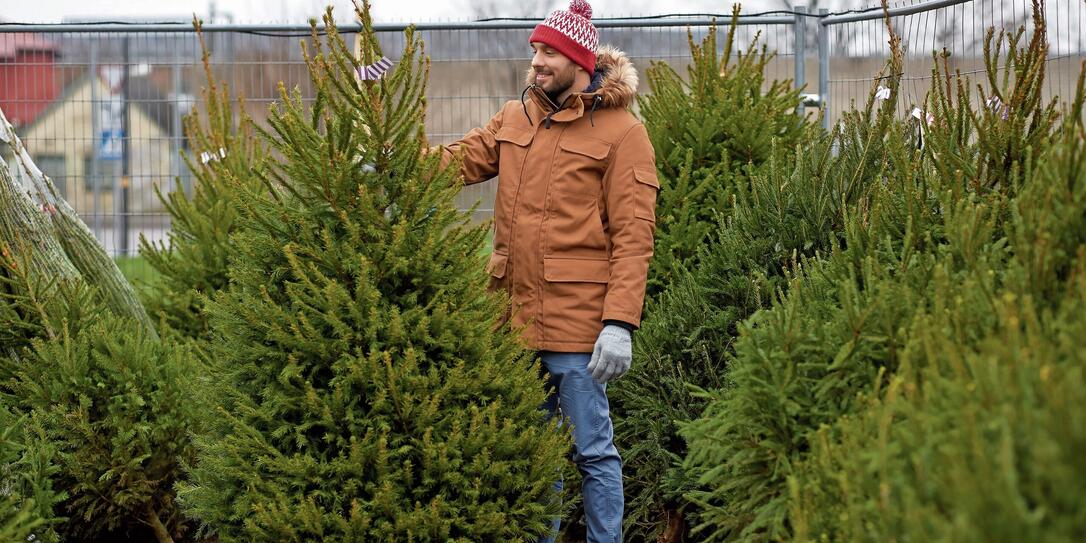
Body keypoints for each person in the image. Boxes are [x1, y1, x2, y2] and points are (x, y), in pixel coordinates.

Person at [434, 0, 658, 541]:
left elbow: (634, 238)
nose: (536, 61)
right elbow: (458, 160)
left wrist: (619, 324)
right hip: (512, 322)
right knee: (534, 453)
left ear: (580, 62)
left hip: (578, 329)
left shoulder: (623, 133)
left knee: (593, 452)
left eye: (549, 53)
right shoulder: (516, 118)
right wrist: (389, 158)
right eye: (535, 50)